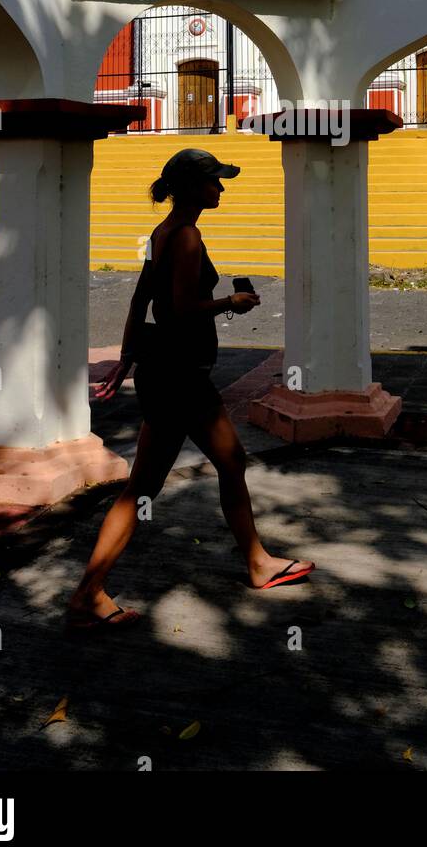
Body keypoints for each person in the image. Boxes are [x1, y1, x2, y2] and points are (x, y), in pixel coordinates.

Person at [67, 147, 314, 629]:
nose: (220, 189)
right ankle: (88, 592)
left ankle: (258, 560)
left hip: (169, 372)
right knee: (147, 486)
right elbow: (178, 309)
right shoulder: (186, 237)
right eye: (214, 181)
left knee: (225, 461)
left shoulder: (163, 233)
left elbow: (141, 299)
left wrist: (126, 359)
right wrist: (231, 302)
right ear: (192, 187)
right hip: (179, 376)